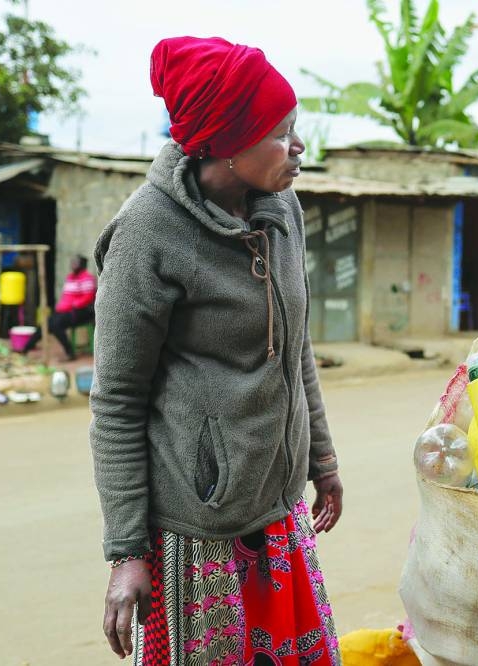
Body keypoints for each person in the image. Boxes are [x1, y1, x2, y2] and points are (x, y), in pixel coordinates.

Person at [89, 36, 343, 665]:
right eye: (281, 133)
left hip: (278, 519)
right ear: (227, 143)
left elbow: (295, 347)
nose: (299, 146)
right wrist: (127, 553)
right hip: (197, 535)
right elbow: (117, 402)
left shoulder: (282, 209)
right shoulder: (147, 234)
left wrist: (323, 459)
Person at [22, 254, 96, 359]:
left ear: (82, 265)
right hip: (65, 312)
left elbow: (88, 298)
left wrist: (73, 305)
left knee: (55, 325)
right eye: (72, 262)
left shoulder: (87, 278)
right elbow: (66, 297)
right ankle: (27, 348)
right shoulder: (70, 278)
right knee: (45, 324)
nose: (73, 265)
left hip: (80, 312)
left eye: (76, 263)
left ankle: (70, 352)